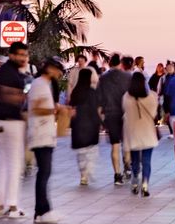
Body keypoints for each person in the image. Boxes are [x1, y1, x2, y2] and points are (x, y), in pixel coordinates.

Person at [0, 42, 29, 220]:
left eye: (25, 55)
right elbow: (15, 97)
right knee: (15, 164)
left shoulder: (5, 70)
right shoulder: (11, 73)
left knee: (4, 163)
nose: (22, 58)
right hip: (12, 120)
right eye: (20, 55)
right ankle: (12, 205)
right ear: (12, 54)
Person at [29, 57, 65, 224]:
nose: (59, 73)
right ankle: (43, 211)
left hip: (45, 134)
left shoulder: (45, 85)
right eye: (58, 69)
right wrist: (54, 109)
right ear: (50, 69)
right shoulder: (38, 84)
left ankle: (41, 210)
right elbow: (35, 108)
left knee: (45, 173)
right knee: (44, 173)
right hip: (40, 134)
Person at [97, 54, 133, 186]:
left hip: (110, 114)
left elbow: (99, 99)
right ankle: (127, 166)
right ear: (120, 64)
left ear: (110, 63)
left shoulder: (103, 78)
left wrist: (100, 119)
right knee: (127, 143)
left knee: (115, 146)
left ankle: (117, 175)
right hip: (126, 113)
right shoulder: (128, 77)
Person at [123, 71, 160, 197]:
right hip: (147, 131)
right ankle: (145, 184)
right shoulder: (151, 97)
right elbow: (155, 114)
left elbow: (124, 112)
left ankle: (134, 181)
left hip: (133, 132)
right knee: (146, 160)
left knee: (134, 160)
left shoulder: (126, 97)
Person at [68, 67, 101, 186]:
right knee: (91, 149)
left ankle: (83, 175)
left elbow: (71, 109)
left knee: (80, 151)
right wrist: (101, 122)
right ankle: (89, 170)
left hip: (78, 124)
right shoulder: (93, 92)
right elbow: (97, 108)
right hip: (91, 123)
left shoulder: (76, 91)